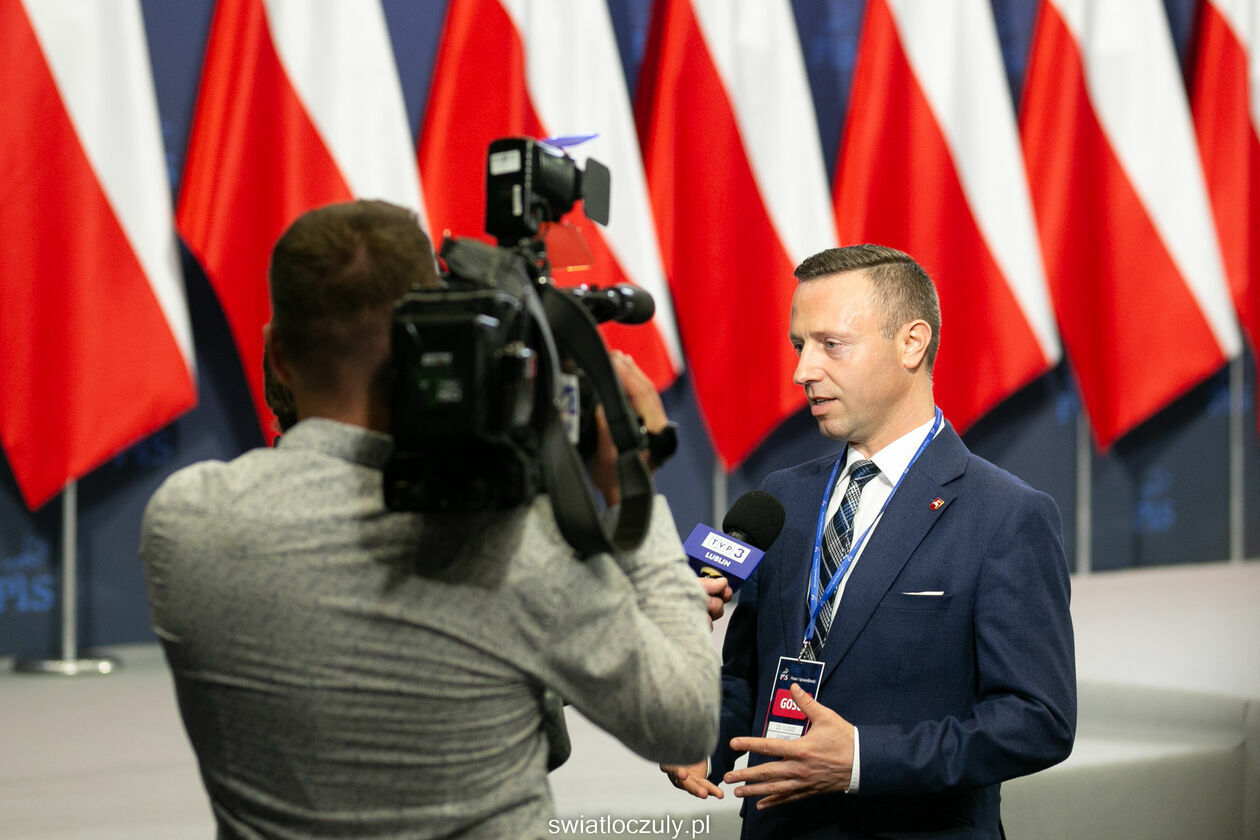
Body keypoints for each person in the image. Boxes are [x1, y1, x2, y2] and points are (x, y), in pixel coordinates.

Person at [141, 199, 721, 839]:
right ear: (434, 343)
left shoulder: (183, 519)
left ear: (278, 356)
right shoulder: (511, 541)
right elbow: (684, 721)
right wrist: (631, 488)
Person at [663, 244, 1076, 838]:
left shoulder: (1007, 516)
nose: (803, 371)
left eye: (831, 344)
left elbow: (1037, 722)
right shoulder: (780, 500)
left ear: (912, 343)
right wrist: (700, 736)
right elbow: (748, 676)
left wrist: (861, 759)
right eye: (799, 346)